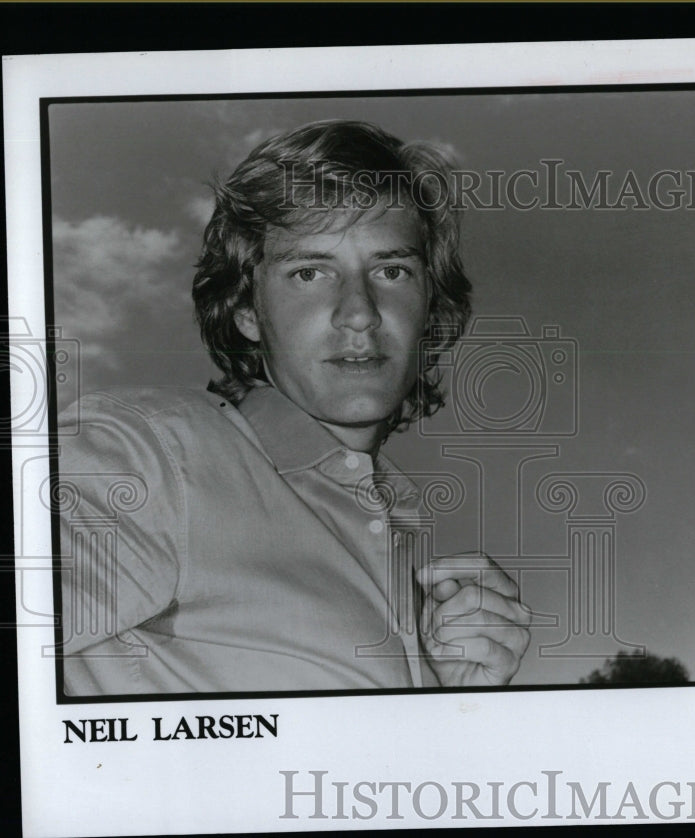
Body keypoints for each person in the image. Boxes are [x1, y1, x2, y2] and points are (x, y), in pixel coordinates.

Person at [57, 119, 531, 696]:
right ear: (247, 310)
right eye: (310, 272)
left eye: (391, 271)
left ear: (429, 308)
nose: (359, 312)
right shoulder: (152, 454)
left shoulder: (400, 539)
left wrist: (451, 699)